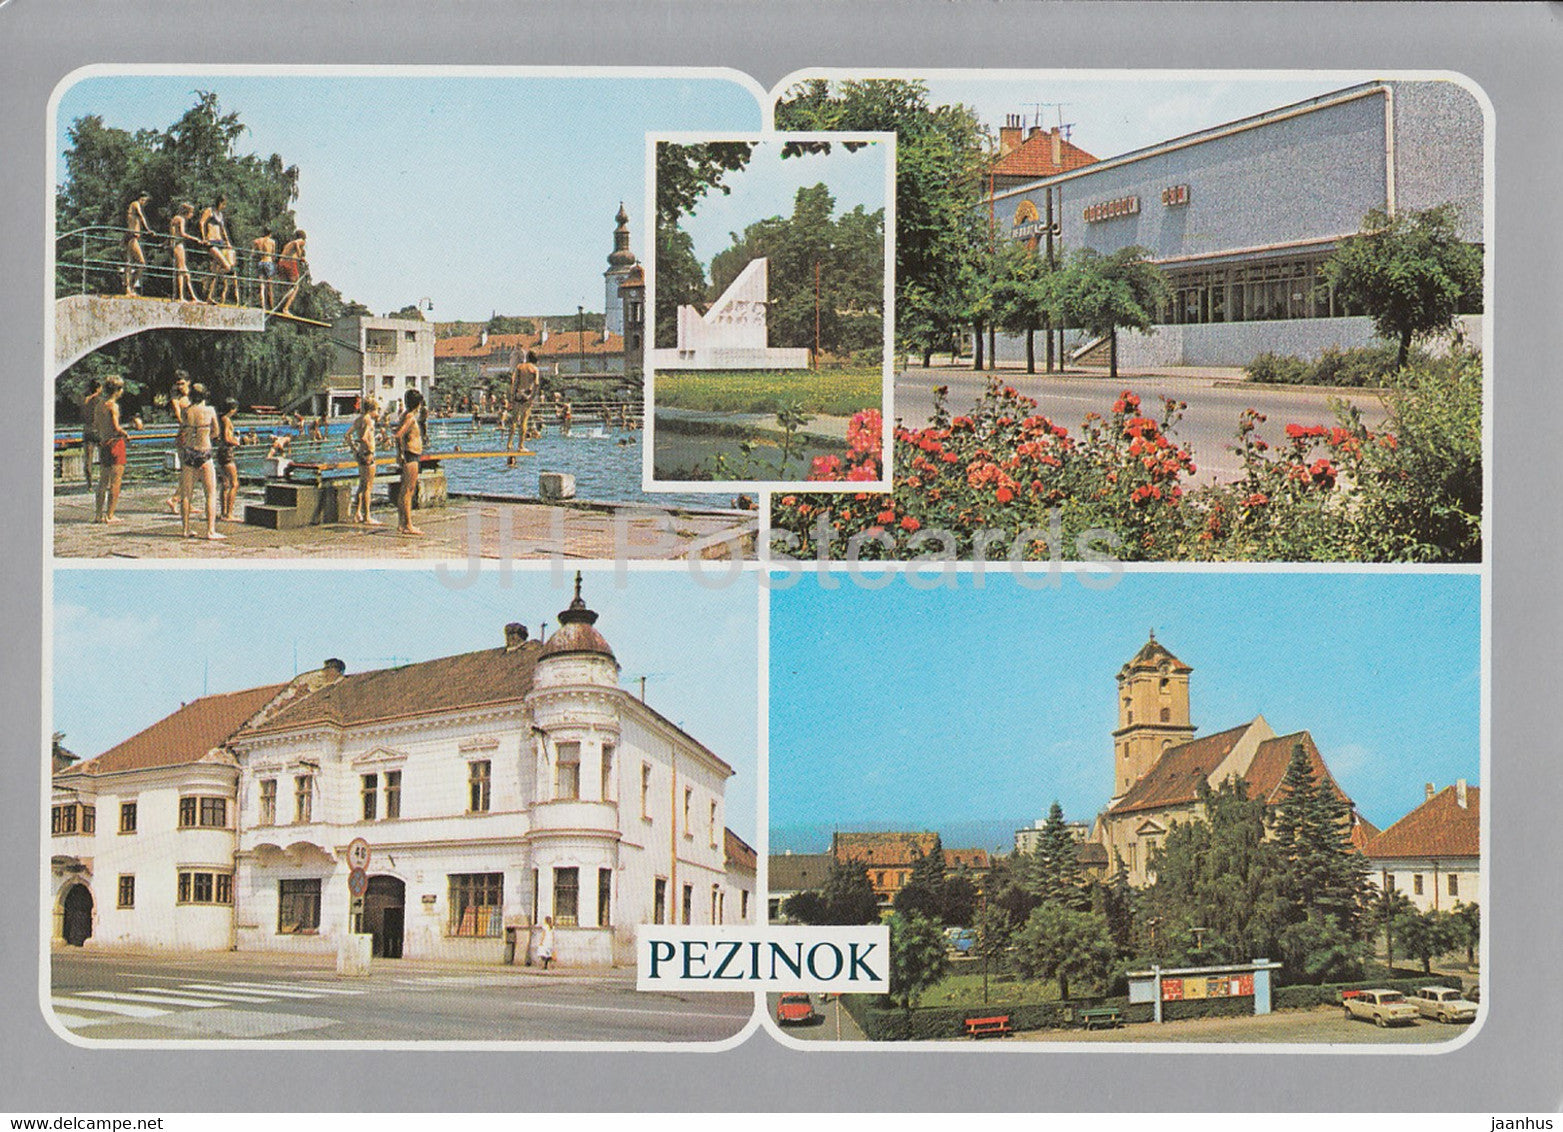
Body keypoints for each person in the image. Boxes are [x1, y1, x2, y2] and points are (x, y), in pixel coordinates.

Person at [177, 383, 224, 540]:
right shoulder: (210, 411)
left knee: (186, 495)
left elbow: (182, 430)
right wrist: (207, 437)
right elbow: (216, 432)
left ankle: (185, 529)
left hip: (189, 453)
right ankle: (210, 531)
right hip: (204, 453)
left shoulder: (187, 411)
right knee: (210, 494)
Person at [92, 375, 129, 524]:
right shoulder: (113, 406)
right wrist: (127, 432)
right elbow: (116, 427)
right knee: (115, 481)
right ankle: (110, 515)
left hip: (103, 443)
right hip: (115, 443)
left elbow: (96, 424)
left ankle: (98, 514)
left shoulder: (99, 404)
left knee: (102, 481)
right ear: (118, 390)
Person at [394, 388, 425, 536]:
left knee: (404, 491)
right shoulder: (410, 417)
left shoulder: (406, 415)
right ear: (418, 403)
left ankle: (402, 524)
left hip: (410, 455)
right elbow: (398, 435)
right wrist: (399, 453)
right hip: (411, 455)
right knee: (408, 491)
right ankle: (408, 525)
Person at [348, 394, 382, 525]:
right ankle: (367, 515)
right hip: (368, 455)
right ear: (372, 409)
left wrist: (355, 449)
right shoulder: (368, 420)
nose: (378, 413)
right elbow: (363, 437)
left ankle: (357, 513)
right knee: (368, 486)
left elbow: (347, 435)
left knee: (362, 485)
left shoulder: (358, 419)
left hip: (360, 455)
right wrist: (369, 448)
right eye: (377, 410)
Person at [505, 349, 541, 466]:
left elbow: (514, 382)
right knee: (524, 420)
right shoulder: (534, 369)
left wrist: (512, 396)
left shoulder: (520, 367)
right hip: (527, 394)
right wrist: (532, 397)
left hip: (518, 393)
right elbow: (536, 384)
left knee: (514, 420)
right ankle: (521, 445)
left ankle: (509, 444)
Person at [199, 195, 236, 305]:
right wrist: (204, 238)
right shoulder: (209, 211)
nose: (224, 206)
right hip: (211, 241)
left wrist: (228, 242)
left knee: (215, 272)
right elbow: (201, 223)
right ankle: (205, 279)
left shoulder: (220, 215)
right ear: (219, 202)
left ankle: (209, 297)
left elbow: (223, 229)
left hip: (220, 242)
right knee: (227, 267)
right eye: (223, 204)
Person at [163, 372, 191, 515]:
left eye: (182, 383)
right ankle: (175, 499)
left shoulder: (192, 397)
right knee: (187, 470)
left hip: (192, 434)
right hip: (184, 435)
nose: (180, 386)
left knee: (192, 471)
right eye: (178, 384)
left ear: (189, 382)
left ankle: (185, 501)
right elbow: (180, 418)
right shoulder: (176, 400)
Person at [123, 192, 154, 296]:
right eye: (144, 200)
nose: (144, 203)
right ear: (140, 198)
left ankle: (129, 288)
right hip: (132, 237)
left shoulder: (133, 207)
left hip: (132, 236)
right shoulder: (135, 204)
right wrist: (148, 229)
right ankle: (130, 287)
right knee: (141, 263)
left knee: (129, 263)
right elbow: (141, 216)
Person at [217, 397, 241, 522]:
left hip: (221, 452)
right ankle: (229, 514)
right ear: (232, 409)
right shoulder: (226, 420)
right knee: (234, 483)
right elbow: (227, 438)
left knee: (225, 484)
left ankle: (223, 513)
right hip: (227, 452)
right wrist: (236, 442)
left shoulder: (220, 419)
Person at [169, 203, 199, 302]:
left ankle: (193, 297)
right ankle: (181, 296)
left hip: (176, 245)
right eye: (191, 213)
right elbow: (182, 233)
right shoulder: (181, 219)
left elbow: (171, 234)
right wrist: (194, 238)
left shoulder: (174, 218)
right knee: (181, 271)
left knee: (186, 273)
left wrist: (165, 243)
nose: (192, 215)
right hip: (178, 245)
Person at [79, 377, 102, 491]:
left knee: (88, 459)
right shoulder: (100, 401)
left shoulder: (85, 401)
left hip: (87, 430)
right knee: (104, 457)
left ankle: (89, 485)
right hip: (98, 431)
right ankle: (104, 481)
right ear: (98, 388)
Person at [276, 230, 307, 315]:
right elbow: (297, 243)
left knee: (289, 287)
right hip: (290, 263)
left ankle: (280, 305)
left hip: (281, 263)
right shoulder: (301, 241)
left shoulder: (288, 244)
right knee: (296, 286)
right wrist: (300, 257)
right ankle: (285, 308)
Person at [252, 227, 277, 310]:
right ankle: (271, 305)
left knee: (261, 285)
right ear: (270, 233)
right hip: (268, 261)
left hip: (261, 262)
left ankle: (262, 304)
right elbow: (273, 254)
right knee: (269, 285)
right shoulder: (272, 242)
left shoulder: (257, 241)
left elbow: (253, 253)